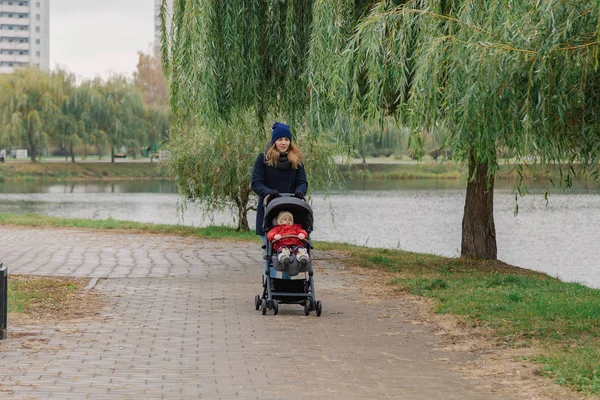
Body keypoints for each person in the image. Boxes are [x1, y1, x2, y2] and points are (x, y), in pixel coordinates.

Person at [252, 122, 308, 276]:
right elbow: (256, 182)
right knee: (271, 252)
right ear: (274, 141)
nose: (283, 143)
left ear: (290, 142)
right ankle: (271, 288)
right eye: (280, 139)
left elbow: (302, 182)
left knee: (291, 250)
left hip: (291, 210)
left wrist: (300, 192)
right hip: (269, 210)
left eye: (287, 139)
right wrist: (269, 192)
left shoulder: (296, 161)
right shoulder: (263, 159)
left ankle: (286, 286)